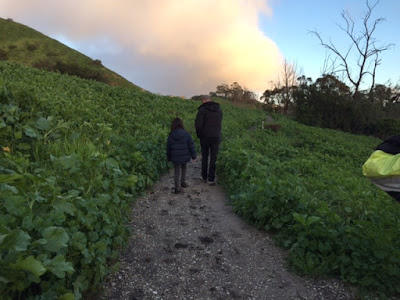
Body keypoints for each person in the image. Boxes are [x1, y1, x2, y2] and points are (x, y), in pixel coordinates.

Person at [195, 95, 223, 185]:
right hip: (216, 136)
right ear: (210, 100)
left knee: (205, 156)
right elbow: (220, 122)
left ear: (204, 101)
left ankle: (204, 176)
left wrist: (199, 135)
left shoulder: (202, 110)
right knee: (214, 157)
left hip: (205, 136)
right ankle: (211, 179)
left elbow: (198, 124)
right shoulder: (219, 109)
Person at [167, 118, 196, 194]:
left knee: (176, 172)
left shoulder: (171, 135)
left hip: (175, 157)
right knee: (184, 168)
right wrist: (193, 156)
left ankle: (177, 188)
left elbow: (168, 148)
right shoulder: (186, 134)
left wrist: (169, 158)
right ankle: (183, 182)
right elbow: (191, 145)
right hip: (184, 156)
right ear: (181, 124)